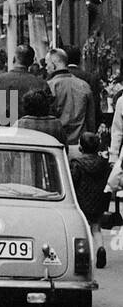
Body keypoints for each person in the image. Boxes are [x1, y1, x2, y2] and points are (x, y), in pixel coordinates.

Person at [70, 132, 111, 269]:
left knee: (83, 227)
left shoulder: (77, 164)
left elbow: (73, 181)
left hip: (82, 200)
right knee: (96, 227)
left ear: (81, 148)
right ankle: (100, 248)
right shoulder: (103, 164)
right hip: (99, 200)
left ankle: (85, 255)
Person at [46, 47, 95, 153]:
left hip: (57, 146)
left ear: (55, 64)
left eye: (47, 64)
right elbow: (91, 120)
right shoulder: (84, 85)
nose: (46, 67)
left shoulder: (50, 86)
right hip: (80, 146)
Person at [0, 43, 44, 127]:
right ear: (32, 62)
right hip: (33, 135)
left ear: (14, 59)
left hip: (4, 135)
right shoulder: (41, 84)